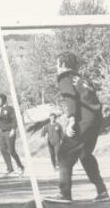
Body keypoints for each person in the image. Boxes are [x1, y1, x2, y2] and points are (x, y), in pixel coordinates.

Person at [45, 52, 109, 204]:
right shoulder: (83, 78)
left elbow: (70, 97)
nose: (56, 66)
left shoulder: (64, 77)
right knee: (85, 154)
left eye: (57, 63)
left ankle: (64, 194)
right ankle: (102, 190)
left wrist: (72, 118)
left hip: (82, 120)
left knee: (63, 154)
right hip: (95, 119)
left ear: (62, 64)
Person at [0, 94, 24, 176]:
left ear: (3, 100)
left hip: (9, 131)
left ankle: (20, 167)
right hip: (1, 132)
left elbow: (15, 120)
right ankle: (10, 169)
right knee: (3, 150)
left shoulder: (10, 109)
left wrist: (13, 129)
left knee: (11, 150)